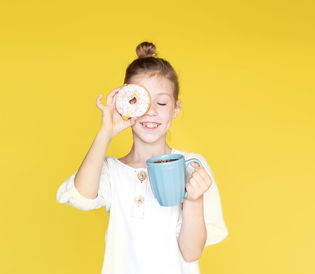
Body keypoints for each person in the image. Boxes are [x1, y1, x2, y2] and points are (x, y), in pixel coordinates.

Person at [56, 41, 228, 274]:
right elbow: (81, 197)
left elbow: (191, 253)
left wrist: (194, 199)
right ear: (123, 104)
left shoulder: (191, 165)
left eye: (162, 102)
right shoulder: (112, 170)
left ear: (176, 108)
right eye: (138, 100)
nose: (150, 110)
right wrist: (106, 130)